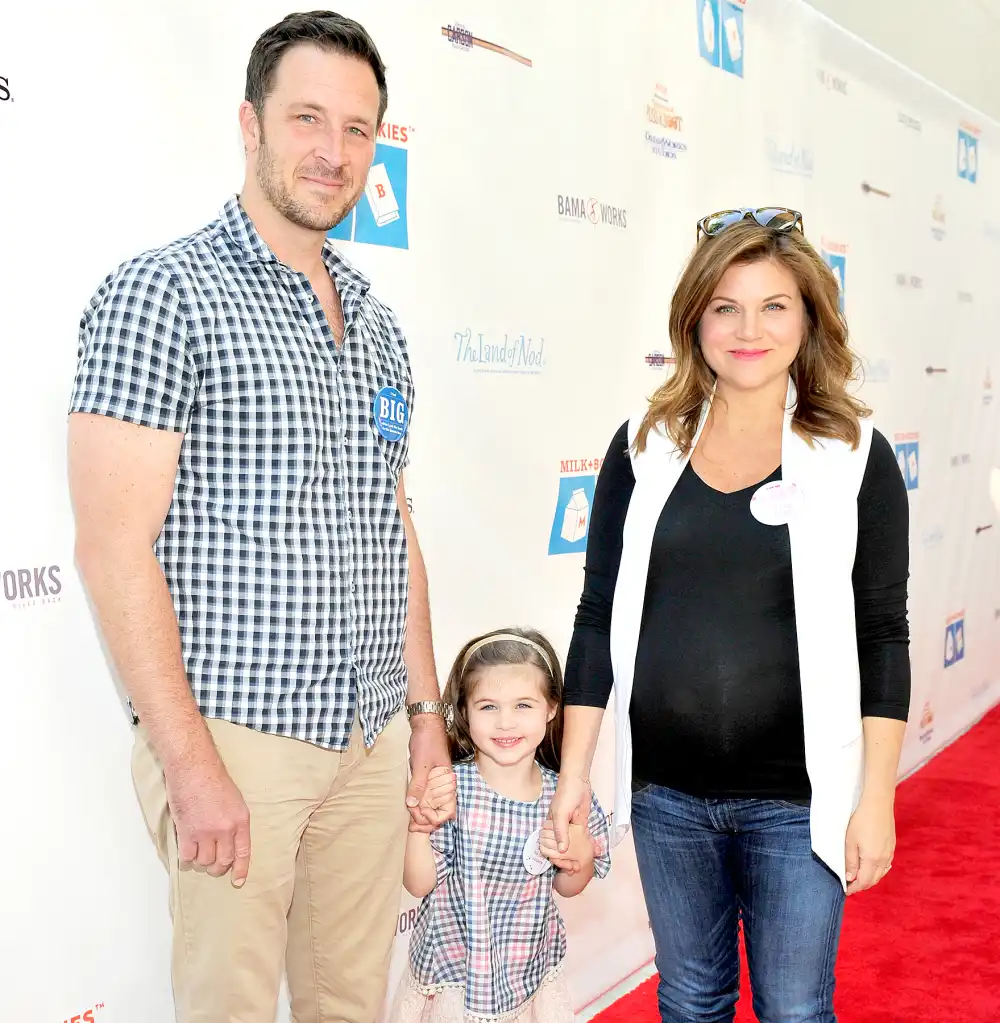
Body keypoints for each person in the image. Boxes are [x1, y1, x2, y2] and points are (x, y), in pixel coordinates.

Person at [66, 11, 456, 1023]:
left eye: (359, 128)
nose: (333, 151)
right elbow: (114, 550)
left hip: (370, 740)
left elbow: (392, 528)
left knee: (347, 1008)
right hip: (236, 741)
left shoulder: (377, 322)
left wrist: (423, 723)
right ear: (251, 123)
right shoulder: (162, 293)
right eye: (307, 118)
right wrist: (189, 765)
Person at [549, 207, 911, 1023]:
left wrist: (876, 797)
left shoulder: (855, 454)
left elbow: (883, 633)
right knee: (691, 999)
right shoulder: (643, 446)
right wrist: (572, 776)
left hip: (799, 801)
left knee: (791, 1009)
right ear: (695, 320)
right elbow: (597, 615)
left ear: (810, 316)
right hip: (667, 797)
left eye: (774, 305)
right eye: (726, 306)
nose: (749, 328)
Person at [391, 628, 612, 1023]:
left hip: (526, 979)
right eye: (488, 707)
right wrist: (419, 830)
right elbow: (418, 884)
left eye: (523, 705)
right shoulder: (450, 789)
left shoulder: (564, 795)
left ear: (551, 708)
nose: (506, 723)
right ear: (464, 711)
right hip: (455, 978)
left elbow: (569, 886)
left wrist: (576, 852)